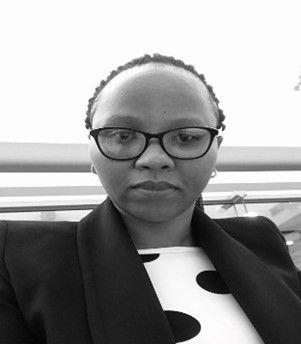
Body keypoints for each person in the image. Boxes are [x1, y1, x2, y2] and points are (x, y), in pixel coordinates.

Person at [0, 53, 300, 344]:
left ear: (216, 149)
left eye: (186, 137)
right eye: (122, 136)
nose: (154, 159)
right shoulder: (18, 256)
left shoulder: (260, 239)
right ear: (92, 149)